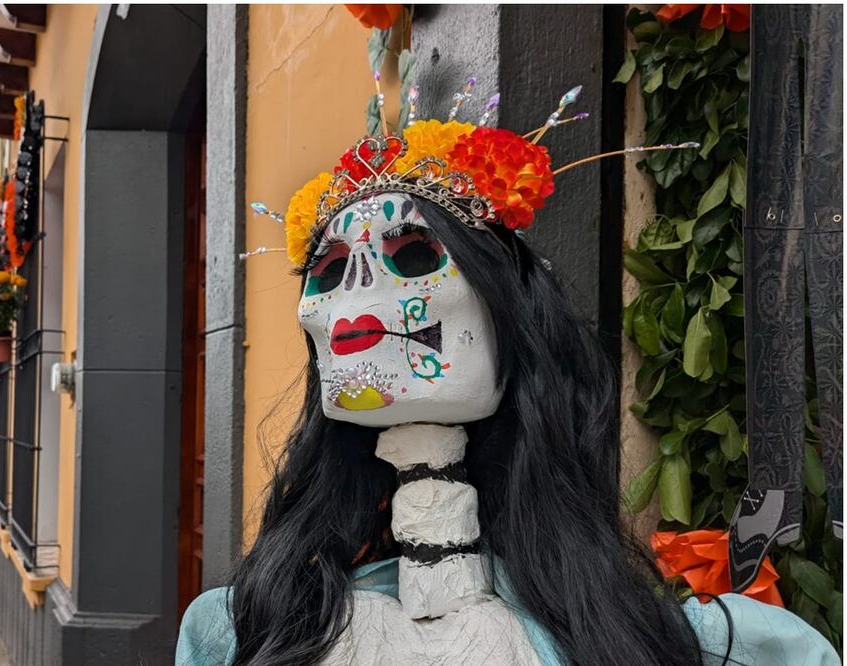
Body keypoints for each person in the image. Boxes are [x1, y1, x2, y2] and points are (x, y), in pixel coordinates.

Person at [176, 87, 839, 666]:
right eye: (329, 271)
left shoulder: (682, 642)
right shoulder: (240, 629)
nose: (354, 300)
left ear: (506, 310)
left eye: (410, 255)